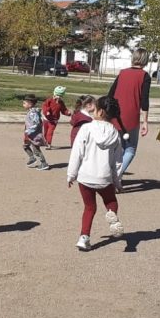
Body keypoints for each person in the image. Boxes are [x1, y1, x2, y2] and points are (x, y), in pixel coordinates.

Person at [67, 96, 124, 252]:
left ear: (100, 111)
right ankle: (112, 215)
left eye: (94, 108)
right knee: (111, 200)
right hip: (104, 177)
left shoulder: (86, 128)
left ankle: (84, 237)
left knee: (89, 208)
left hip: (85, 177)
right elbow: (118, 161)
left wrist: (71, 174)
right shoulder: (115, 134)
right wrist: (117, 181)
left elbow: (76, 153)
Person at [107, 48, 152, 176]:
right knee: (130, 149)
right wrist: (145, 122)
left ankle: (111, 173)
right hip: (131, 116)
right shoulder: (144, 75)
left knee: (117, 147)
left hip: (115, 115)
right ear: (145, 60)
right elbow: (144, 100)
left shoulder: (122, 73)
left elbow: (110, 94)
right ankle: (117, 175)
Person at [22, 94, 49, 170]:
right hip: (29, 134)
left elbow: (37, 123)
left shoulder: (33, 113)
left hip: (34, 135)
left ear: (30, 104)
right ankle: (32, 158)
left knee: (36, 150)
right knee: (25, 146)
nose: (23, 105)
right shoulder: (31, 111)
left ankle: (44, 163)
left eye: (24, 103)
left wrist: (28, 130)